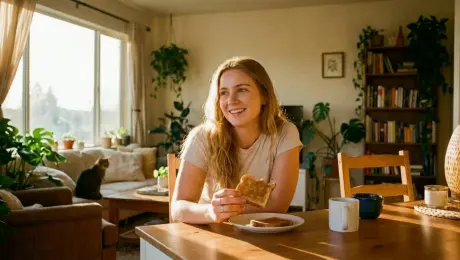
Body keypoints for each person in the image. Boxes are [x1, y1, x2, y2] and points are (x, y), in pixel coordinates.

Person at [170, 56, 303, 224]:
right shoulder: (202, 137)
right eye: (223, 93)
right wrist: (211, 212)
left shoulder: (285, 133)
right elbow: (178, 208)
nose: (231, 101)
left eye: (242, 90)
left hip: (260, 234)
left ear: (264, 96)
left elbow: (278, 205)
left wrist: (228, 210)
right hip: (212, 234)